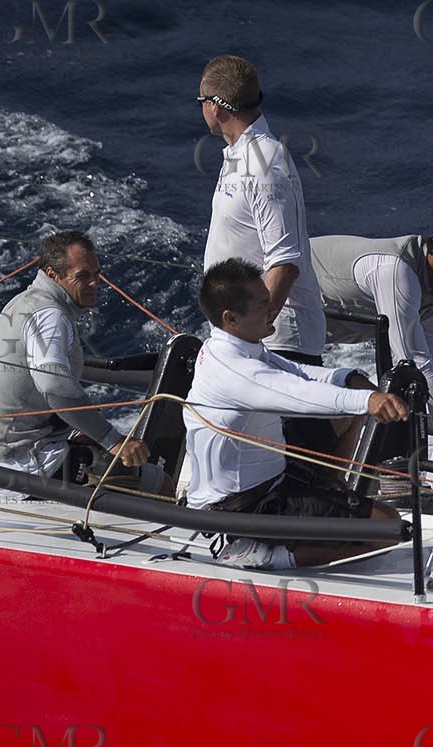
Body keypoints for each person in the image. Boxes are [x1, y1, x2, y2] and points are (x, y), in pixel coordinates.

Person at [184, 258, 408, 569]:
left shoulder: (237, 346)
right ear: (231, 318)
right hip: (239, 508)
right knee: (387, 527)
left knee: (348, 412)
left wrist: (349, 379)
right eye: (263, 303)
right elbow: (297, 393)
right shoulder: (235, 370)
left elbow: (295, 371)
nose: (273, 306)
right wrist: (366, 401)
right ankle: (263, 554)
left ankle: (330, 489)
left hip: (273, 481)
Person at [0, 231, 155, 490]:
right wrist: (113, 441)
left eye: (97, 274)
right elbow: (53, 385)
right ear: (53, 275)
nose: (95, 283)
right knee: (153, 479)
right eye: (83, 276)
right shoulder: (49, 316)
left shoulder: (25, 301)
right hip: (15, 465)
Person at [198, 54, 324, 361]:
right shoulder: (242, 155)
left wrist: (247, 337)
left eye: (201, 100)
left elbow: (285, 262)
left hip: (276, 343)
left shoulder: (263, 162)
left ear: (215, 106)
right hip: (249, 339)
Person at [312, 233, 433, 382]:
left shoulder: (428, 287)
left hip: (319, 329)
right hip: (285, 301)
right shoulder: (395, 271)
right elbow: (415, 365)